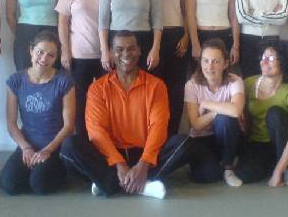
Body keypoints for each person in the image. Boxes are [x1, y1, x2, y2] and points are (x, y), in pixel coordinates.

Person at [59, 31, 190, 199]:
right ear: (111, 52)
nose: (126, 54)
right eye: (119, 49)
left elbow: (158, 127)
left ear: (139, 51)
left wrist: (144, 163)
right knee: (69, 146)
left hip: (144, 153)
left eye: (131, 48)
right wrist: (119, 163)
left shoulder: (156, 85)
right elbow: (96, 131)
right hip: (110, 156)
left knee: (183, 142)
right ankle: (142, 186)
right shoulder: (97, 88)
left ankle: (106, 181)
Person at [0, 31, 75, 195]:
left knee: (40, 185)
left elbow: (69, 126)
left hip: (54, 146)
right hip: (28, 145)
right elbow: (11, 123)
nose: (44, 58)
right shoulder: (16, 81)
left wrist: (48, 150)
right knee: (9, 185)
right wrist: (25, 147)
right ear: (31, 50)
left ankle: (61, 169)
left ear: (56, 58)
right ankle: (34, 169)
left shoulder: (64, 82)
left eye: (51, 55)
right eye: (40, 52)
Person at [235, 40, 288, 186]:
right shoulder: (249, 83)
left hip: (286, 142)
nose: (263, 62)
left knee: (274, 113)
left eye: (270, 58)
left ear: (285, 61)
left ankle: (287, 166)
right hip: (259, 143)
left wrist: (278, 172)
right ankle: (273, 163)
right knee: (245, 175)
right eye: (262, 57)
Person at [56, 0, 105, 137]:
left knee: (103, 102)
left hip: (104, 56)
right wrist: (65, 50)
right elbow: (62, 21)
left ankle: (101, 142)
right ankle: (82, 142)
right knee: (80, 102)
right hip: (79, 55)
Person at [184, 38, 245, 186]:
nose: (209, 66)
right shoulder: (191, 85)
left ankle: (228, 167)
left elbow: (236, 110)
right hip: (201, 139)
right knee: (207, 176)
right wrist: (216, 112)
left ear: (225, 63)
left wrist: (206, 104)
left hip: (227, 136)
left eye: (215, 61)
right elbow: (196, 124)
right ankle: (217, 164)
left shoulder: (235, 81)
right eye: (205, 61)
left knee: (225, 119)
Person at [144, 0, 189, 136]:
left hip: (177, 36)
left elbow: (186, 10)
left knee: (176, 89)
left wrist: (186, 36)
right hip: (154, 38)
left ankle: (172, 137)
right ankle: (155, 135)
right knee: (155, 89)